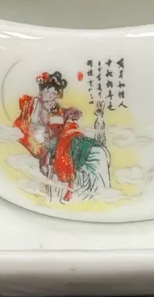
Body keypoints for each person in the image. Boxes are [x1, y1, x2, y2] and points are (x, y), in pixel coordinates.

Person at [13, 71, 111, 202]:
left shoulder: (57, 109)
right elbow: (33, 129)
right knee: (78, 150)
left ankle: (98, 189)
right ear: (42, 92)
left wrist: (68, 117)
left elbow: (64, 123)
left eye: (54, 93)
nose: (51, 95)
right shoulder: (35, 105)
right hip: (50, 143)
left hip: (64, 139)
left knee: (96, 151)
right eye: (48, 91)